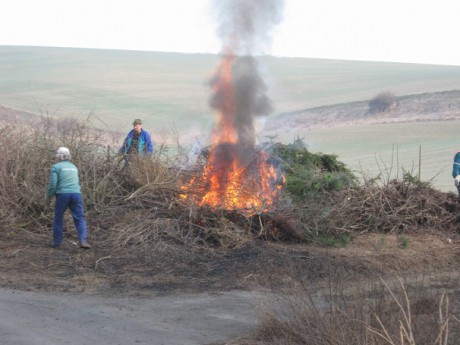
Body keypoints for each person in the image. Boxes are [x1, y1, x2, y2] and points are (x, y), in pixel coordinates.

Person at [46, 147, 91, 249]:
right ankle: (83, 240)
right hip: (76, 194)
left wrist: (49, 195)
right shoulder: (74, 167)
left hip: (63, 195)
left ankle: (57, 242)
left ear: (59, 156)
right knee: (79, 218)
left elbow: (53, 184)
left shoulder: (56, 167)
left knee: (58, 218)